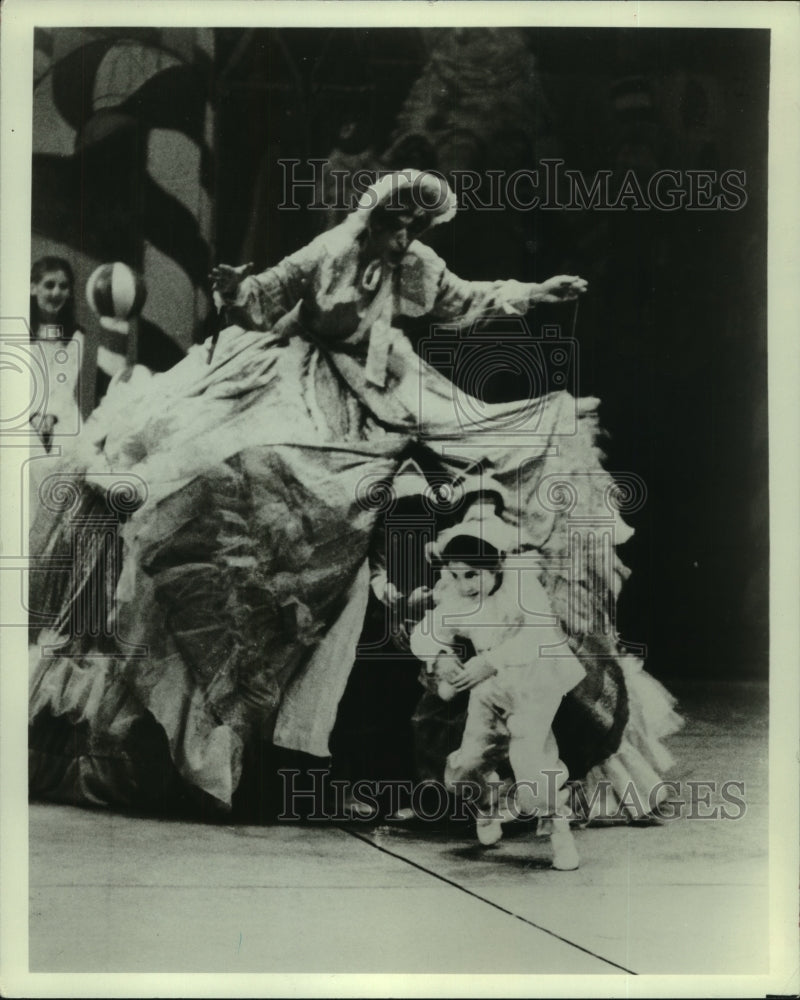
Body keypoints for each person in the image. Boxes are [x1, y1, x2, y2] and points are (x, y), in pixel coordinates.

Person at [29, 169, 632, 818]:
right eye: (396, 223)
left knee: (505, 442)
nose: (403, 237)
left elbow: (463, 300)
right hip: (303, 382)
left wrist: (534, 292)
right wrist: (235, 289)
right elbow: (262, 298)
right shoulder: (331, 250)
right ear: (374, 216)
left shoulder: (417, 262)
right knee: (238, 473)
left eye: (415, 227)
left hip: (385, 383)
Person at [409, 507, 585, 869]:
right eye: (455, 576)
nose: (464, 585)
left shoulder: (522, 587)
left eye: (472, 574)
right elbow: (425, 630)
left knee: (530, 764)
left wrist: (491, 660)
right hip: (491, 689)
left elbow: (539, 636)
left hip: (536, 684)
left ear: (496, 566)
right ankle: (487, 802)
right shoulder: (459, 598)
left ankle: (559, 832)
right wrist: (438, 655)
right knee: (467, 767)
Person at [29, 257, 84, 451]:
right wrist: (33, 415)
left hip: (60, 412)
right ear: (33, 288)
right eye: (49, 285)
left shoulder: (74, 335)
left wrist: (50, 415)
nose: (56, 292)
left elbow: (65, 382)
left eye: (63, 286)